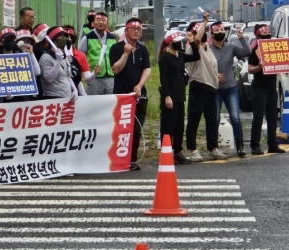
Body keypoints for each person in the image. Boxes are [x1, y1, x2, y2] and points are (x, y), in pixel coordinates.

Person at [109, 18, 152, 170]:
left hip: (139, 95)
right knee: (122, 129)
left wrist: (140, 85)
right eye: (132, 28)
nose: (136, 31)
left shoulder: (143, 49)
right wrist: (126, 54)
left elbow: (147, 68)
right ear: (126, 31)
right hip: (122, 96)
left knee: (137, 129)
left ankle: (132, 159)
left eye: (139, 29)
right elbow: (115, 69)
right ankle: (120, 159)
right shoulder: (116, 48)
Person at [185, 12, 228, 161]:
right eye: (199, 30)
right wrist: (204, 21)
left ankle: (213, 148)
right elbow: (197, 39)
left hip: (211, 88)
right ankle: (192, 149)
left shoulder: (207, 48)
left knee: (211, 120)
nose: (203, 33)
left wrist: (215, 77)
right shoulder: (193, 47)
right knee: (194, 118)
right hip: (198, 85)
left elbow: (210, 66)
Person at [157, 29, 200, 165]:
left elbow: (196, 56)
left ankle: (177, 151)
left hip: (180, 95)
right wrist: (167, 96)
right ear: (169, 43)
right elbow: (163, 79)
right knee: (168, 125)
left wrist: (192, 42)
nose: (180, 43)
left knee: (179, 126)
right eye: (177, 41)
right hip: (170, 96)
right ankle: (166, 152)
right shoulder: (165, 58)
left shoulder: (179, 55)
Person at [209, 21, 251, 157]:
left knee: (235, 117)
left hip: (231, 87)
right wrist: (214, 75)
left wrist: (241, 37)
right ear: (212, 34)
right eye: (217, 31)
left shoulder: (231, 47)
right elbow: (203, 66)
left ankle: (240, 147)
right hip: (215, 89)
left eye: (222, 30)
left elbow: (247, 51)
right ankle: (214, 148)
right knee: (214, 118)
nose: (221, 32)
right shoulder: (208, 49)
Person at [248, 24, 286, 154]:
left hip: (271, 87)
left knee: (272, 116)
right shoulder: (255, 51)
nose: (266, 37)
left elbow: (285, 63)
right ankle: (255, 145)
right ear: (258, 37)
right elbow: (250, 69)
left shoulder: (276, 49)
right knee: (258, 117)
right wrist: (259, 67)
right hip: (259, 87)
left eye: (268, 34)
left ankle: (272, 144)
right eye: (263, 35)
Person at [79, 11, 116, 95]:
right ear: (93, 23)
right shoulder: (87, 38)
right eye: (98, 20)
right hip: (94, 77)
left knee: (111, 103)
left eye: (103, 20)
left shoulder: (112, 38)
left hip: (110, 76)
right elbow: (81, 56)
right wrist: (85, 74)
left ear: (107, 23)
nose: (100, 23)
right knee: (94, 104)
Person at [39, 26, 77, 100]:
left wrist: (74, 89)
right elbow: (49, 79)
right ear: (53, 40)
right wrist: (58, 61)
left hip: (67, 97)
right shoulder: (45, 57)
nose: (64, 38)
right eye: (60, 36)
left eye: (64, 36)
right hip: (53, 98)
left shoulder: (63, 56)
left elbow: (67, 76)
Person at [62, 25, 93, 96]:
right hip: (60, 92)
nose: (68, 39)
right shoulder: (56, 55)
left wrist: (94, 73)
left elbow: (87, 77)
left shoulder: (81, 55)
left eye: (70, 37)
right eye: (65, 36)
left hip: (77, 90)